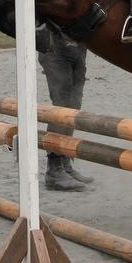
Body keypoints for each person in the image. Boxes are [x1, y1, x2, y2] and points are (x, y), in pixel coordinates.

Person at [38, 29, 94, 191]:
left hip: (78, 49)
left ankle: (65, 164)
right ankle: (54, 170)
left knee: (74, 107)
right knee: (61, 107)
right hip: (55, 49)